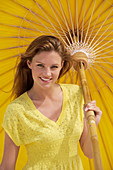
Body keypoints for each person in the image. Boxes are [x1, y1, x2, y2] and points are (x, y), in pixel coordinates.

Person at [0, 35, 102, 170]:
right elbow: (7, 166)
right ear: (29, 64)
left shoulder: (76, 94)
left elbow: (89, 152)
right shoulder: (17, 110)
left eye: (54, 67)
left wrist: (93, 122)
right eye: (40, 65)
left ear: (62, 65)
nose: (47, 73)